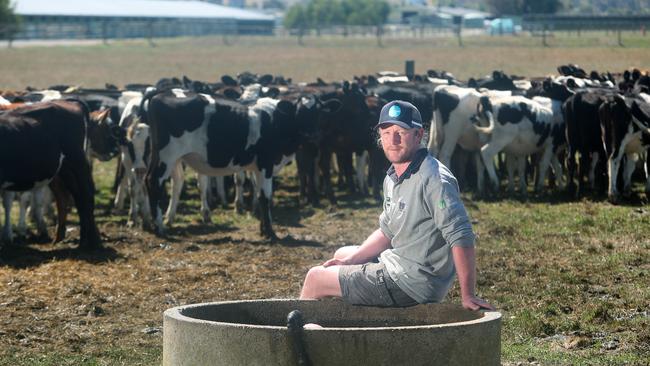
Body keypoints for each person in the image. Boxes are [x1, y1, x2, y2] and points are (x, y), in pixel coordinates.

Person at [299, 100, 493, 311]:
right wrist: (348, 263)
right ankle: (347, 325)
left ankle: (299, 338)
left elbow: (461, 235)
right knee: (342, 254)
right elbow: (387, 231)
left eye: (402, 131)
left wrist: (468, 295)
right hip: (399, 265)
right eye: (386, 132)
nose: (393, 139)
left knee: (315, 278)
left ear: (418, 135)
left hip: (413, 282)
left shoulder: (435, 179)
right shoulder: (393, 175)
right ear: (380, 137)